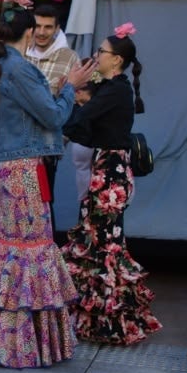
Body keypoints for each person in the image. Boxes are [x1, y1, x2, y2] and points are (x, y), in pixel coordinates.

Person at [0, 7, 93, 369]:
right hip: (25, 167)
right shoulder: (21, 68)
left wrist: (63, 88)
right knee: (31, 248)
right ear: (32, 31)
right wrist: (71, 89)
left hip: (11, 165)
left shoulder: (10, 66)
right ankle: (22, 344)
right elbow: (52, 115)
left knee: (9, 248)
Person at [61, 22, 163, 345]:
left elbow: (82, 120)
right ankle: (97, 321)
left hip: (111, 173)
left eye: (102, 52)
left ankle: (112, 323)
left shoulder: (117, 90)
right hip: (105, 167)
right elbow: (84, 125)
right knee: (99, 242)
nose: (97, 56)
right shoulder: (109, 88)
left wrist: (67, 105)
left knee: (105, 244)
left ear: (116, 60)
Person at [24, 4, 82, 221]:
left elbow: (75, 103)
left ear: (57, 29)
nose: (41, 32)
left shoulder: (70, 58)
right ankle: (18, 253)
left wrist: (60, 139)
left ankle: (44, 253)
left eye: (48, 27)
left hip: (45, 149)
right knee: (16, 202)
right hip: (15, 147)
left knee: (41, 202)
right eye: (37, 26)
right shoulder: (21, 53)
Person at [67, 81, 96, 206]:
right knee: (85, 172)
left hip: (85, 145)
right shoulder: (77, 106)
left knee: (84, 172)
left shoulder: (77, 108)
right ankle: (85, 202)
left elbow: (67, 129)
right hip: (84, 145)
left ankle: (85, 201)